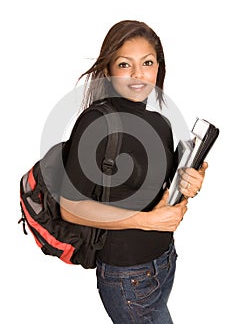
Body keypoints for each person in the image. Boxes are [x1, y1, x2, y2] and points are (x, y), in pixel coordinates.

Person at [60, 20, 208, 324]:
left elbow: (163, 197)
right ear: (108, 69)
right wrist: (147, 221)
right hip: (127, 275)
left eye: (148, 63)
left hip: (165, 261)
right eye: (126, 64)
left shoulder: (160, 123)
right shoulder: (95, 123)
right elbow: (71, 208)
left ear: (159, 68)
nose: (139, 74)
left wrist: (190, 182)